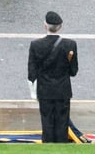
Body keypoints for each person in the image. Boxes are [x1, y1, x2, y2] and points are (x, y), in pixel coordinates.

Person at [28, 10, 78, 143]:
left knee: (47, 122)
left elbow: (31, 73)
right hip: (63, 90)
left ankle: (48, 145)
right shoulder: (70, 45)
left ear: (45, 25)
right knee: (62, 123)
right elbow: (73, 71)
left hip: (45, 90)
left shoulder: (36, 45)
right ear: (60, 26)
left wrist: (33, 92)